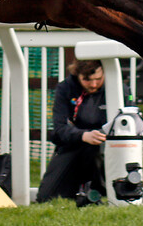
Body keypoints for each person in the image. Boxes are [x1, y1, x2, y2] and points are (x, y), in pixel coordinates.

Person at [36, 59, 107, 202]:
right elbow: (59, 129)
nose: (93, 84)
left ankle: (99, 191)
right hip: (72, 144)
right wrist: (83, 135)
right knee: (45, 197)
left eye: (98, 79)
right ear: (77, 75)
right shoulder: (65, 88)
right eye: (87, 80)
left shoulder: (118, 88)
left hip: (105, 147)